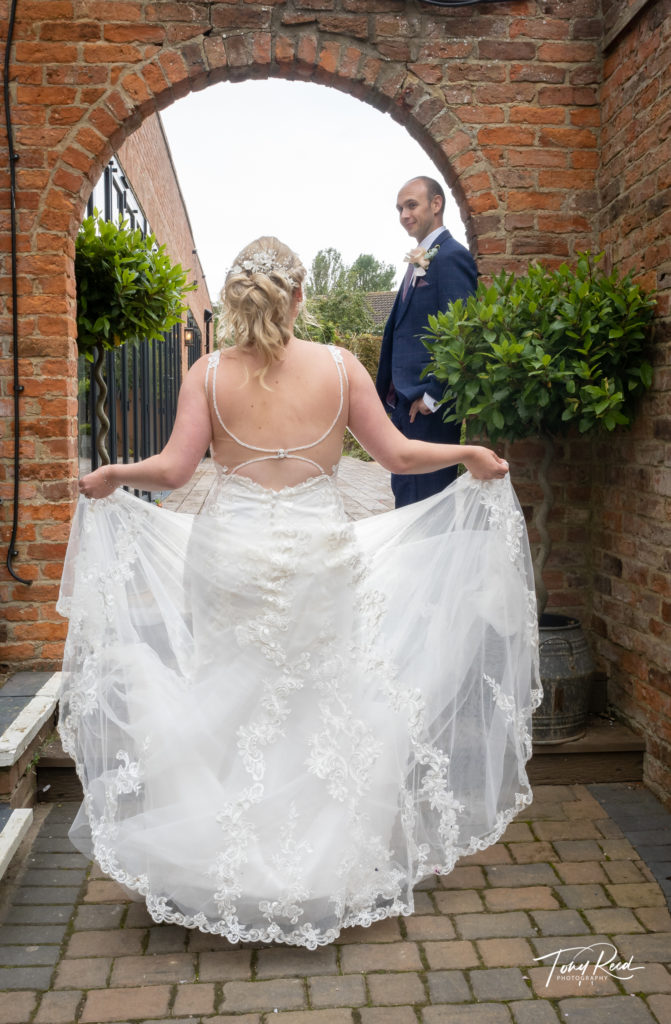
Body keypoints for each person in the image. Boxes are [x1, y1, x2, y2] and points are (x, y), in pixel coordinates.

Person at [59, 237, 540, 951]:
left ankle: (225, 863)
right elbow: (398, 455)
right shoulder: (340, 367)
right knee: (323, 697)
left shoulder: (207, 372)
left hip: (229, 555)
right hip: (319, 554)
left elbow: (173, 470)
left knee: (230, 693)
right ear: (299, 296)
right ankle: (319, 867)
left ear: (235, 299)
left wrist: (112, 474)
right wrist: (466, 452)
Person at [376, 176, 479, 508]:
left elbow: (462, 332)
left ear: (436, 204)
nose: (404, 215)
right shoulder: (421, 259)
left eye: (411, 205)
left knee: (427, 506)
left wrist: (433, 396)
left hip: (428, 409)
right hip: (406, 404)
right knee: (408, 499)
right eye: (399, 209)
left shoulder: (451, 257)